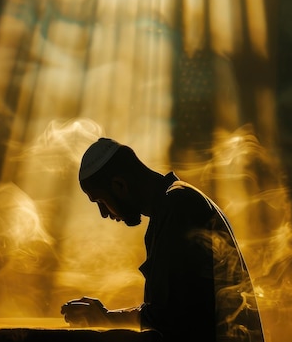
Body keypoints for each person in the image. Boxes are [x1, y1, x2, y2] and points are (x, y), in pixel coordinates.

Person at [61, 138, 264, 342]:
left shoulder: (179, 205)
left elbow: (172, 317)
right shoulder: (172, 204)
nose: (104, 213)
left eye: (100, 201)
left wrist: (106, 318)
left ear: (119, 185)